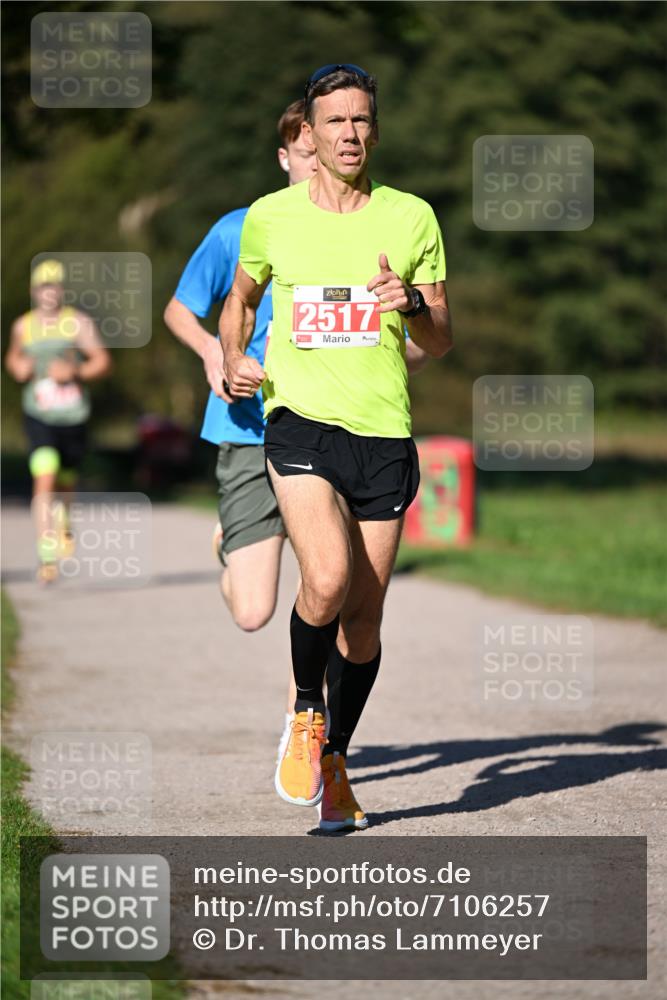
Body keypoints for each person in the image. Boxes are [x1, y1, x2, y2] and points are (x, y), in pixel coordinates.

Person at [219, 64, 453, 831]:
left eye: (360, 121)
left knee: (362, 621)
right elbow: (239, 301)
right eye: (334, 123)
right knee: (324, 575)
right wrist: (232, 356)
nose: (349, 134)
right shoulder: (271, 218)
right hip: (301, 424)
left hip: (383, 432)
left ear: (372, 130)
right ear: (308, 137)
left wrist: (411, 303)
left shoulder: (411, 216)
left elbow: (442, 339)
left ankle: (335, 764)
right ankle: (303, 708)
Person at [165, 99, 432, 753]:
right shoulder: (244, 227)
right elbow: (181, 309)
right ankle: (235, 543)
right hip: (244, 426)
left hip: (333, 434)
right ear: (286, 156)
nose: (323, 159)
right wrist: (215, 355)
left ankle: (304, 739)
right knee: (254, 609)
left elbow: (411, 337)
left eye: (334, 146)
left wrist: (390, 361)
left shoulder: (374, 227)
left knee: (329, 588)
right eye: (307, 152)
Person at [5, 259, 112, 584]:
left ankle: (63, 522)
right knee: (44, 473)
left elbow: (103, 361)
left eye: (54, 286)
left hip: (72, 415)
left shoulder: (77, 323)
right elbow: (14, 356)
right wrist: (17, 367)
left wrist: (75, 371)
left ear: (61, 290)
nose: (48, 293)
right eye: (42, 286)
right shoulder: (23, 326)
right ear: (33, 291)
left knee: (65, 480)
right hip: (39, 415)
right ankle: (46, 552)